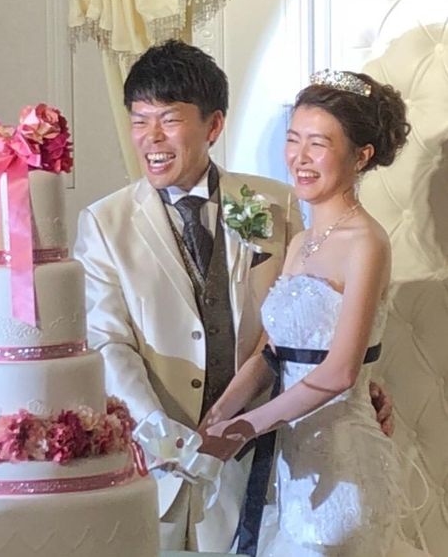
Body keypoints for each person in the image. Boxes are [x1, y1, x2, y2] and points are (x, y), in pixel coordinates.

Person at [74, 41, 391, 553]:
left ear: (214, 125)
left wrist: (362, 383)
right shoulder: (104, 223)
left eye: (169, 120)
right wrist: (165, 435)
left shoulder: (278, 203)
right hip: (157, 468)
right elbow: (108, 342)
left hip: (265, 468)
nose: (152, 137)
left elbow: (311, 325)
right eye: (139, 121)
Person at [200, 70, 427, 556]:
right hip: (294, 465)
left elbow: (342, 371)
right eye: (293, 139)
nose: (299, 157)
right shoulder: (302, 241)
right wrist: (219, 415)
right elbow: (272, 353)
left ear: (361, 155)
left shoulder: (366, 242)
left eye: (318, 144)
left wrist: (249, 425)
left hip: (345, 465)